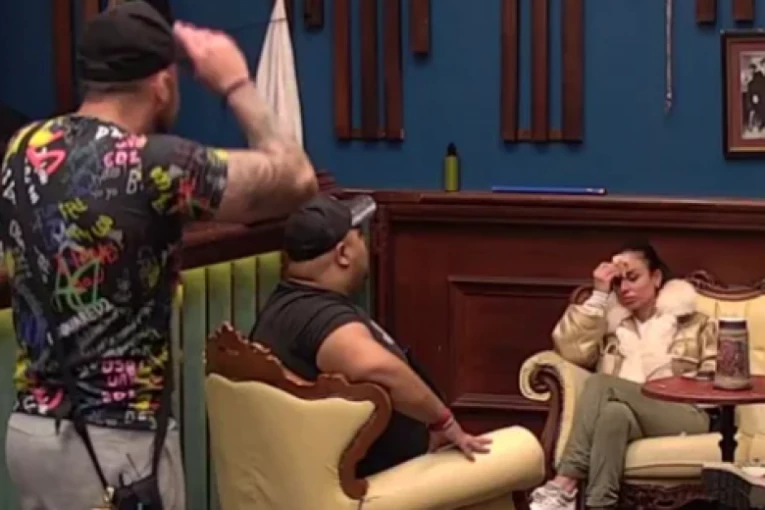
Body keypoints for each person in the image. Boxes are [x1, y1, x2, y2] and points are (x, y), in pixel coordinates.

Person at [1, 2, 317, 509]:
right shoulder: (153, 164)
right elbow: (297, 179)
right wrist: (237, 84)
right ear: (163, 84)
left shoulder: (23, 148)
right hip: (117, 445)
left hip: (32, 436)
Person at [249, 194, 491, 477]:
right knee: (505, 462)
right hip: (379, 483)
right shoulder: (319, 319)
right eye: (359, 237)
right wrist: (444, 422)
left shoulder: (285, 308)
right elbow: (376, 368)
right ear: (343, 254)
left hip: (369, 471)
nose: (366, 245)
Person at [529, 241, 717, 510]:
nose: (625, 289)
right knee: (613, 415)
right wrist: (599, 294)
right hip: (633, 417)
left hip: (687, 413)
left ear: (656, 278)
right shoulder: (611, 326)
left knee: (601, 384)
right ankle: (599, 504)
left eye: (633, 277)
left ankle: (565, 482)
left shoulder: (696, 323)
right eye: (618, 283)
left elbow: (715, 379)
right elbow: (570, 351)